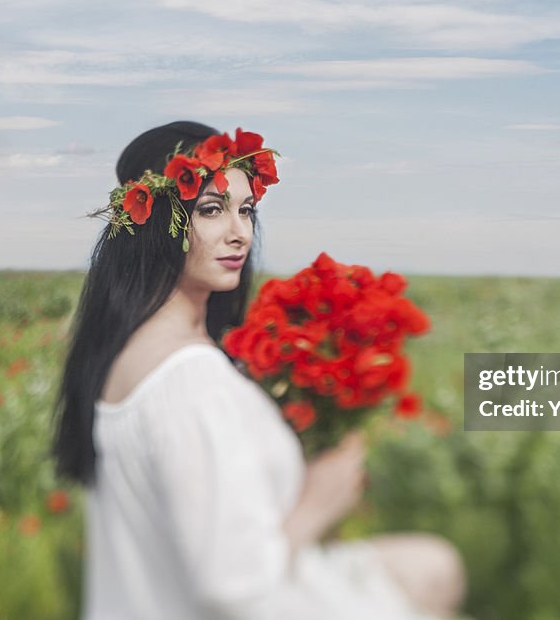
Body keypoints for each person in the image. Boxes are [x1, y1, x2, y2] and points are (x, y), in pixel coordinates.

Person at [51, 121, 467, 619]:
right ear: (154, 219)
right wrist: (317, 501)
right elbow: (230, 589)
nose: (240, 233)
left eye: (245, 210)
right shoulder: (190, 380)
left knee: (435, 566)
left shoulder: (125, 350)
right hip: (230, 602)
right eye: (211, 210)